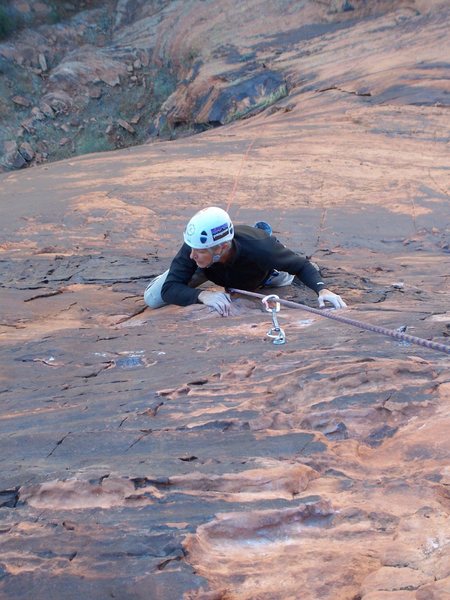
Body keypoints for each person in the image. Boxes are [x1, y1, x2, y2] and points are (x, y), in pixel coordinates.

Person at [144, 206, 346, 316]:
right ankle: (192, 271)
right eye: (191, 248)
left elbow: (301, 265)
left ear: (221, 247)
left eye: (198, 251)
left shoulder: (261, 250)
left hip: (261, 274)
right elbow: (169, 289)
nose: (191, 255)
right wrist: (202, 295)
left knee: (288, 276)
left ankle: (275, 256)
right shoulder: (196, 246)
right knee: (152, 298)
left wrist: (322, 289)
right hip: (210, 269)